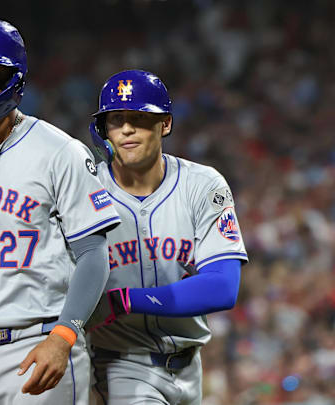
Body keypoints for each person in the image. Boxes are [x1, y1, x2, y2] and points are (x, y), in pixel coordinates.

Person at [0, 18, 121, 404]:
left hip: (37, 343)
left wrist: (64, 336)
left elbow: (94, 255)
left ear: (16, 81)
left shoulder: (59, 152)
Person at [86, 70, 248, 405]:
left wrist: (125, 300)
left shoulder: (202, 185)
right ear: (104, 131)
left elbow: (223, 286)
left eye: (140, 118)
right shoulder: (84, 190)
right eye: (116, 120)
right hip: (118, 366)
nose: (127, 129)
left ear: (166, 124)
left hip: (191, 367)